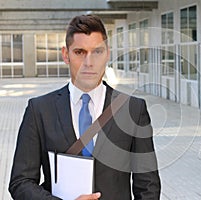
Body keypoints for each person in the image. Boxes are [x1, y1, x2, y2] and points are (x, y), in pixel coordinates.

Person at [9, 14, 161, 200]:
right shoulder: (39, 110)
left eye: (97, 52)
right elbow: (20, 182)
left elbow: (148, 185)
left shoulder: (133, 109)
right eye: (80, 52)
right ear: (66, 55)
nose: (89, 62)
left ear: (107, 54)